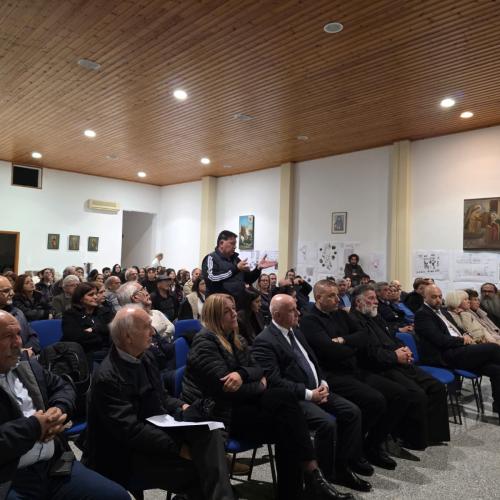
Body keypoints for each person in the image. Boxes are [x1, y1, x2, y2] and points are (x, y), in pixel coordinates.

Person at [181, 293, 352, 500]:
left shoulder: (236, 339)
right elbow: (231, 390)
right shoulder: (205, 343)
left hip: (239, 406)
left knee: (286, 415)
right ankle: (311, 480)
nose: (234, 313)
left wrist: (243, 375)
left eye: (234, 308)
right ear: (215, 316)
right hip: (218, 414)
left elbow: (258, 369)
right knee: (287, 417)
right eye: (227, 311)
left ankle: (304, 485)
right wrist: (259, 384)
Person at [84, 306, 235, 500]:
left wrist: (182, 406)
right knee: (201, 470)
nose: (153, 331)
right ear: (128, 337)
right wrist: (178, 448)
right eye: (147, 327)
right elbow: (131, 431)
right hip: (125, 453)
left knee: (209, 434)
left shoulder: (145, 356)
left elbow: (161, 397)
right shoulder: (107, 377)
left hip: (154, 433)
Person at [0, 311, 130, 500]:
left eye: (18, 334)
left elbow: (62, 387)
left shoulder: (26, 365)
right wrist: (35, 427)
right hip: (10, 477)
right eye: (7, 336)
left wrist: (59, 409)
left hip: (53, 465)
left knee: (117, 496)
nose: (18, 342)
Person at [252, 294, 370, 493]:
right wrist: (309, 394)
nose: (298, 313)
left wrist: (323, 382)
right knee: (326, 424)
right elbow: (274, 381)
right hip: (295, 398)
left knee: (352, 412)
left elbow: (313, 362)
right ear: (277, 315)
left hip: (318, 389)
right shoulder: (264, 341)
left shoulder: (296, 332)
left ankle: (340, 468)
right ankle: (320, 481)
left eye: (296, 308)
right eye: (292, 310)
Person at [300, 280, 409, 470]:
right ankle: (352, 452)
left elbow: (364, 335)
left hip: (354, 370)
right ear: (318, 298)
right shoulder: (310, 320)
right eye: (331, 296)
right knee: (375, 400)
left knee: (400, 394)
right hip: (331, 375)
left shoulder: (341, 314)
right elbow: (330, 351)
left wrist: (343, 340)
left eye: (337, 295)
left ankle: (372, 445)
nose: (337, 299)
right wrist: (352, 346)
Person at [350, 285, 450, 450]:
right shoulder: (354, 321)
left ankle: (432, 434)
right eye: (371, 298)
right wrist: (396, 356)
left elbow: (392, 338)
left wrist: (404, 349)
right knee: (416, 394)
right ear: (358, 302)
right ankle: (411, 439)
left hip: (396, 360)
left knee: (436, 387)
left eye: (375, 298)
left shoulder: (375, 316)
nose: (376, 302)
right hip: (380, 366)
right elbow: (369, 353)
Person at [414, 284, 500, 415]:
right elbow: (439, 340)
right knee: (493, 348)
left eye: (440, 296)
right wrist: (461, 340)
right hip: (444, 355)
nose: (438, 300)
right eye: (434, 297)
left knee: (496, 369)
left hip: (459, 350)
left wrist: (465, 335)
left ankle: (498, 407)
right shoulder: (422, 315)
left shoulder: (442, 312)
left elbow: (457, 330)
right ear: (424, 297)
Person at [202, 230, 276, 300]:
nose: (235, 247)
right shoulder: (211, 258)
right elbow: (211, 279)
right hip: (219, 303)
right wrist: (236, 269)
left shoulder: (235, 260)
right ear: (221, 243)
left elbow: (249, 279)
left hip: (238, 304)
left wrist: (258, 268)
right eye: (232, 243)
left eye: (235, 244)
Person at [61, 283, 110, 362]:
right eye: (91, 295)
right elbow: (75, 338)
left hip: (106, 351)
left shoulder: (104, 311)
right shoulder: (71, 314)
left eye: (96, 294)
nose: (95, 297)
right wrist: (103, 335)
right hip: (84, 354)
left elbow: (114, 329)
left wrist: (94, 329)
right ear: (80, 298)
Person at [0, 276, 40, 356]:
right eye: (6, 291)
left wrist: (27, 350)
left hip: (26, 357)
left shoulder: (18, 312)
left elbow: (32, 335)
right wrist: (21, 352)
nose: (12, 293)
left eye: (11, 289)